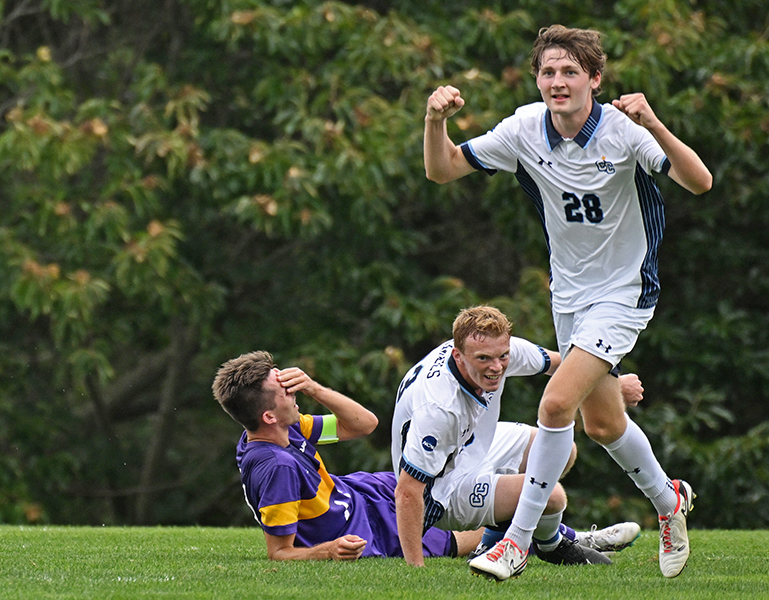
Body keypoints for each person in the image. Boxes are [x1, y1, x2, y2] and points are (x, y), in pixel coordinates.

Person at [422, 24, 712, 579]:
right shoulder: (525, 129)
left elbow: (699, 181)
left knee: (554, 407)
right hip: (570, 297)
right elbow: (442, 170)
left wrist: (652, 122)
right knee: (603, 424)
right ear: (538, 79)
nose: (557, 82)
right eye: (548, 72)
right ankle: (669, 502)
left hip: (625, 293)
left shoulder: (624, 133)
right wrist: (435, 121)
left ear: (594, 80)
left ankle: (517, 544)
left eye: (570, 72)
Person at [391, 306, 641, 568]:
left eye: (503, 356)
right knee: (553, 496)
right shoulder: (439, 408)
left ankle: (492, 544)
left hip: (467, 443)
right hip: (443, 490)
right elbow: (407, 491)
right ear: (459, 355)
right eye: (484, 359)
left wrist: (612, 385)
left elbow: (566, 367)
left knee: (561, 450)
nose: (496, 367)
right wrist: (415, 568)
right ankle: (551, 545)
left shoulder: (494, 349)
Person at [213, 350, 481, 561]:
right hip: (363, 531)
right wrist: (328, 551)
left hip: (360, 492)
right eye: (285, 390)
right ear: (268, 416)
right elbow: (280, 553)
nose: (294, 390)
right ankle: (517, 531)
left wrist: (314, 388)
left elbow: (364, 424)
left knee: (440, 485)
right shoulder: (277, 467)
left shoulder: (287, 428)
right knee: (459, 538)